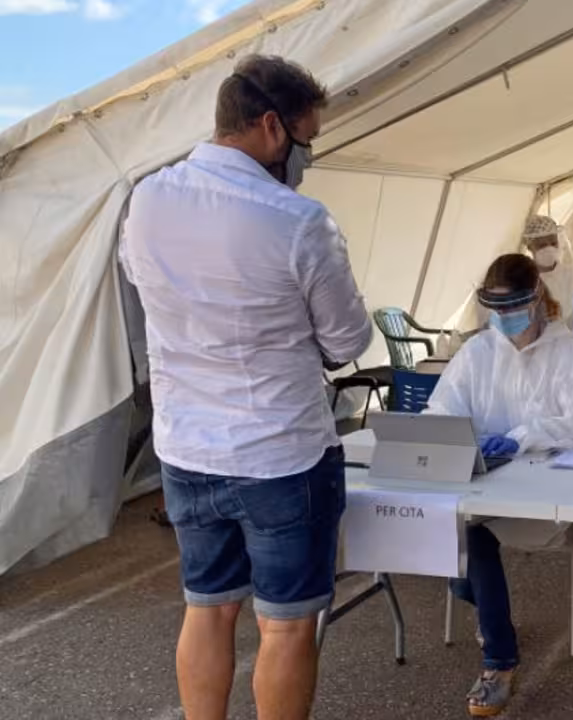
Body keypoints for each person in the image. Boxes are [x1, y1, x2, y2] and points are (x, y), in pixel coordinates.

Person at [119, 56, 370, 720]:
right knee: (285, 624)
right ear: (271, 127)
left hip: (186, 450)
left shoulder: (147, 199)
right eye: (306, 139)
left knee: (207, 608)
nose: (305, 157)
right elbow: (347, 342)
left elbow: (144, 287)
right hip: (282, 455)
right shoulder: (299, 221)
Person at [425, 253, 573, 717]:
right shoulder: (478, 352)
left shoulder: (564, 351)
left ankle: (499, 661)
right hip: (482, 482)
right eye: (496, 307)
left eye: (512, 306)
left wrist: (523, 436)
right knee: (450, 534)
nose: (504, 316)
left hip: (540, 491)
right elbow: (441, 410)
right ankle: (490, 612)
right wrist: (455, 437)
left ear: (535, 299)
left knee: (471, 539)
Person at [521, 214, 573, 335]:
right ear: (530, 246)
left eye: (553, 243)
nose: (549, 249)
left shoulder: (572, 275)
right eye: (542, 245)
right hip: (535, 344)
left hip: (568, 341)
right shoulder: (522, 279)